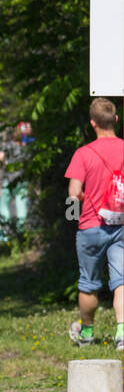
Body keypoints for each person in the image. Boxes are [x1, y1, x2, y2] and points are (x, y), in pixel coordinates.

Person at [66, 97, 124, 351]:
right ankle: (122, 333)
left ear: (92, 123)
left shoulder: (83, 154)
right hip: (121, 224)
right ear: (116, 120)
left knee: (89, 283)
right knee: (121, 281)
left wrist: (75, 219)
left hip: (90, 225)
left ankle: (87, 333)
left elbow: (73, 193)